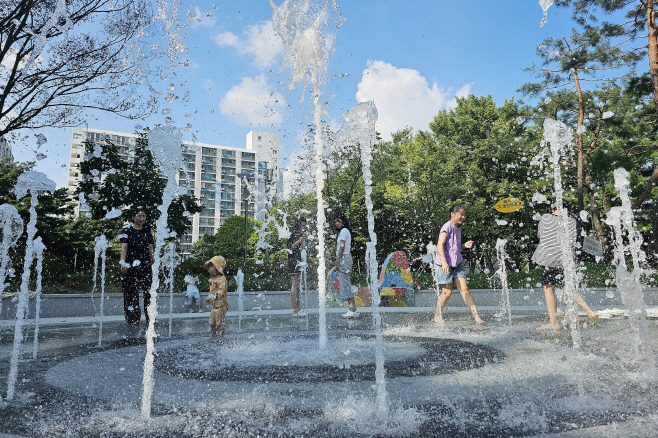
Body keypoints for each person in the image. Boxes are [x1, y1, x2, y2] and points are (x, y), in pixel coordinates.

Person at [531, 205, 598, 330]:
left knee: (548, 287)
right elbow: (573, 241)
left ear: (552, 210)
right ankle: (589, 311)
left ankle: (554, 323)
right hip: (565, 259)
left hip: (551, 258)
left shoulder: (545, 217)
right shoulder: (572, 221)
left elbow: (540, 235)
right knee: (565, 287)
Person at [434, 204, 485, 325]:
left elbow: (453, 247)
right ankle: (437, 316)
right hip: (445, 264)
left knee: (465, 289)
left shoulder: (458, 228)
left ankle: (477, 317)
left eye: (464, 215)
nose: (463, 217)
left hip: (457, 263)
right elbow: (440, 245)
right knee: (447, 292)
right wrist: (445, 263)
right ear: (453, 214)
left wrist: (463, 245)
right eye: (460, 214)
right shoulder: (447, 226)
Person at [119, 206, 154, 326]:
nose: (142, 218)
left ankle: (150, 316)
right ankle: (133, 317)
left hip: (145, 265)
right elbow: (124, 247)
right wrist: (122, 261)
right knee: (130, 293)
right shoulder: (126, 230)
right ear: (133, 217)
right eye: (139, 216)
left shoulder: (147, 231)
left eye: (144, 216)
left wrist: (154, 260)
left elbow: (150, 248)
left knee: (148, 292)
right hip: (130, 265)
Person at [333, 214, 358, 319]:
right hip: (345, 258)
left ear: (343, 222)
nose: (337, 223)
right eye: (336, 221)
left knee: (346, 283)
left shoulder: (344, 231)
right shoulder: (344, 231)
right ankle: (353, 308)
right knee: (345, 283)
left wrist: (337, 260)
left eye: (339, 221)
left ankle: (352, 309)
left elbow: (342, 247)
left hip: (344, 258)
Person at [204, 256, 228, 338]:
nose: (209, 268)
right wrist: (209, 298)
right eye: (209, 266)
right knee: (212, 322)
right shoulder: (212, 279)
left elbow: (222, 290)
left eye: (211, 266)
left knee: (220, 322)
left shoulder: (222, 278)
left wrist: (215, 296)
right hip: (214, 305)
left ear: (218, 267)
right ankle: (213, 337)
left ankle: (221, 337)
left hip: (221, 305)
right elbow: (212, 292)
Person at [288, 217, 307, 316]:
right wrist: (299, 240)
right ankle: (295, 309)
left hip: (300, 261)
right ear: (298, 225)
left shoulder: (301, 234)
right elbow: (290, 247)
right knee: (295, 285)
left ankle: (298, 308)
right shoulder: (293, 234)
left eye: (305, 225)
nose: (304, 227)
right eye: (302, 225)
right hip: (293, 261)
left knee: (298, 286)